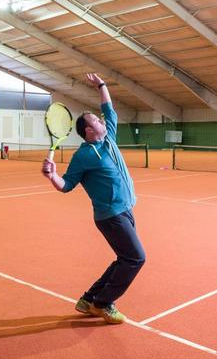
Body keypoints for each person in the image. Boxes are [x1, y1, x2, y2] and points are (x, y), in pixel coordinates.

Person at [42, 73, 145, 324]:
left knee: (124, 258)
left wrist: (101, 85)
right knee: (135, 258)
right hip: (111, 216)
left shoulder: (108, 137)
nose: (101, 120)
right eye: (96, 120)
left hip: (126, 210)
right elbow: (66, 185)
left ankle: (89, 299)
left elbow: (109, 110)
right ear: (89, 130)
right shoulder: (84, 156)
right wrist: (53, 176)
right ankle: (102, 303)